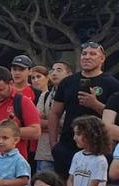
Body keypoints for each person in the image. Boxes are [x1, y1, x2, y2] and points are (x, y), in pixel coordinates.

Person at [51, 43, 119, 176]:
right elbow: (55, 113)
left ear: (102, 58)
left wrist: (95, 104)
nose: (87, 57)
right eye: (84, 54)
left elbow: (115, 119)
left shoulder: (112, 84)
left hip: (98, 150)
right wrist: (54, 144)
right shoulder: (67, 82)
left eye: (92, 54)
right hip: (67, 147)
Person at [67, 115, 111, 186]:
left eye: (78, 134)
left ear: (91, 135)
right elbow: (70, 180)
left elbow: (94, 184)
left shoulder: (100, 160)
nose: (74, 138)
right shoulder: (77, 156)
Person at [35, 62, 69, 173]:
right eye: (52, 70)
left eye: (59, 70)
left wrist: (47, 121)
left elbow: (68, 124)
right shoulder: (44, 95)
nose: (54, 73)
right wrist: (54, 123)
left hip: (66, 150)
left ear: (69, 74)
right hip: (43, 153)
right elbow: (35, 121)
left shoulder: (73, 95)